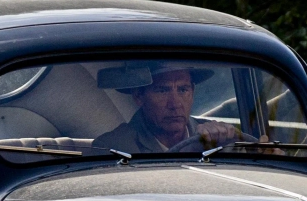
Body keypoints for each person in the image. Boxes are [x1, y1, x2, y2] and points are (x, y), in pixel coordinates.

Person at [89, 64, 240, 154]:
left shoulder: (220, 138)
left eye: (183, 90)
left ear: (192, 92)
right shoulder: (113, 148)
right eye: (162, 90)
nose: (175, 104)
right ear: (139, 96)